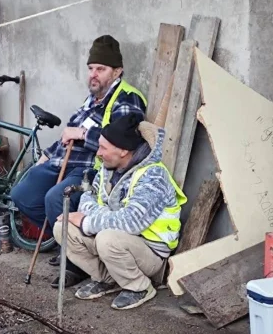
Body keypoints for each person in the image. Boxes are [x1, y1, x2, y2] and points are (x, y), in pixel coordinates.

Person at [11, 35, 147, 288]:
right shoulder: (91, 99)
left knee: (55, 198)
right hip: (63, 161)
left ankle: (75, 264)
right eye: (91, 68)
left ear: (117, 71)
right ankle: (68, 242)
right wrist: (47, 155)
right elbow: (68, 133)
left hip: (91, 168)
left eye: (101, 69)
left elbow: (125, 145)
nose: (94, 74)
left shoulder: (126, 99)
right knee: (22, 192)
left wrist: (84, 134)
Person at [53, 113, 187, 310]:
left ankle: (139, 287)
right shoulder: (108, 169)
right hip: (118, 241)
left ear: (123, 151)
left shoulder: (153, 176)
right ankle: (108, 279)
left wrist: (87, 222)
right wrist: (94, 216)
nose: (97, 152)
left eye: (103, 148)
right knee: (61, 228)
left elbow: (131, 222)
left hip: (150, 251)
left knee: (107, 238)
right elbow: (87, 198)